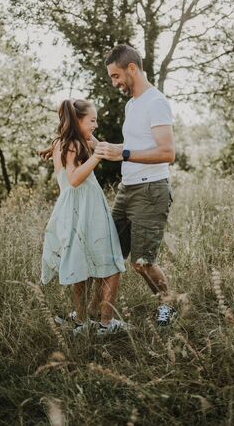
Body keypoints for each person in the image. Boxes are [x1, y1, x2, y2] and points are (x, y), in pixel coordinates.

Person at [94, 44, 177, 326]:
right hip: (126, 190)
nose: (115, 83)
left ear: (131, 68)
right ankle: (98, 317)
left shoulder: (156, 103)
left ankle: (168, 307)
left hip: (151, 191)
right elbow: (134, 146)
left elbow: (168, 153)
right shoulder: (132, 104)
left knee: (142, 262)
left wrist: (125, 153)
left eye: (116, 76)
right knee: (108, 253)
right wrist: (111, 148)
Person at [40, 99, 127, 334]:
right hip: (86, 210)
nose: (96, 124)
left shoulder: (63, 142)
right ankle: (105, 324)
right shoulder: (73, 146)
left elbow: (102, 147)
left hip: (71, 210)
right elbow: (75, 179)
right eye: (92, 120)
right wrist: (96, 157)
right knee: (111, 266)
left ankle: (81, 321)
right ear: (78, 120)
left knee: (80, 264)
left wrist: (99, 146)